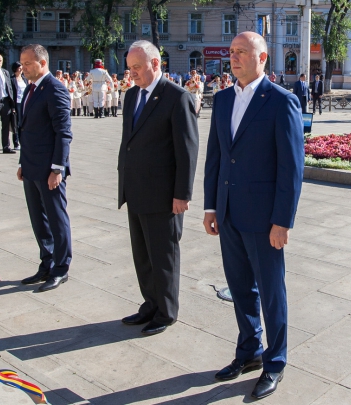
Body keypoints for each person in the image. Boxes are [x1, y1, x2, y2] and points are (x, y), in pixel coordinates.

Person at [203, 32, 304, 400]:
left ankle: (274, 362)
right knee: (241, 289)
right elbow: (216, 155)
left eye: (242, 52)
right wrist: (211, 206)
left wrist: (283, 221)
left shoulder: (281, 102)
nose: (234, 57)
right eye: (231, 52)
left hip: (264, 220)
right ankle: (248, 352)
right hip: (228, 213)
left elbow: (291, 169)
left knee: (271, 292)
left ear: (262, 58)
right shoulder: (224, 97)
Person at [118, 40, 198, 336]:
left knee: (163, 255)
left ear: (155, 63)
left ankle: (166, 311)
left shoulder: (176, 98)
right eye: (129, 68)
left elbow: (187, 150)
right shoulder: (131, 96)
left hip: (164, 195)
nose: (132, 74)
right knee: (142, 254)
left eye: (137, 68)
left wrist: (182, 194)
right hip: (136, 189)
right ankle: (150, 303)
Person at [17, 44, 73, 293]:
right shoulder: (31, 89)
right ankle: (46, 263)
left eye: (28, 63)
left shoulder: (55, 90)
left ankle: (61, 268)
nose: (23, 67)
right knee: (38, 220)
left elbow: (63, 133)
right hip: (31, 166)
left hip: (50, 169)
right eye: (22, 63)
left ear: (43, 63)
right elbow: (28, 129)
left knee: (56, 219)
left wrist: (57, 169)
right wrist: (22, 162)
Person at [10, 61, 26, 149]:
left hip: (24, 102)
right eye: (19, 68)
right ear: (15, 69)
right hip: (16, 103)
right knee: (16, 123)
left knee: (23, 123)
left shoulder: (24, 78)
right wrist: (12, 107)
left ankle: (22, 140)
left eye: (21, 68)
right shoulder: (12, 79)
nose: (21, 70)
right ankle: (16, 142)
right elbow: (11, 93)